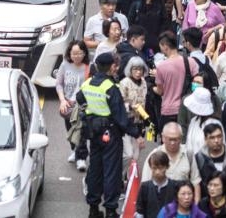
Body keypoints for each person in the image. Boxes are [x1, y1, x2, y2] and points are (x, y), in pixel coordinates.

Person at [78, 52, 134, 218]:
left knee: (95, 169)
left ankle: (93, 209)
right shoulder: (111, 88)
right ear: (111, 67)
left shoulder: (87, 83)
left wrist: (90, 113)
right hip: (111, 134)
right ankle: (110, 210)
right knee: (111, 172)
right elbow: (121, 117)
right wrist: (135, 132)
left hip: (93, 132)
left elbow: (80, 99)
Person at [56, 40, 90, 170]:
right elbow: (59, 84)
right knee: (70, 131)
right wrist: (62, 100)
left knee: (80, 130)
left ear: (84, 53)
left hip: (82, 105)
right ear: (69, 53)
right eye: (73, 53)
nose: (76, 56)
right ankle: (74, 150)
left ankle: (81, 157)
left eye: (79, 53)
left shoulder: (89, 66)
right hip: (68, 104)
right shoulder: (65, 65)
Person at [136, 151, 179, 218]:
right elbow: (139, 212)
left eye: (161, 167)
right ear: (150, 167)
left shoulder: (175, 186)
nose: (157, 172)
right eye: (154, 168)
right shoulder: (145, 187)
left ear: (167, 166)